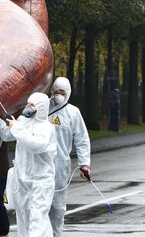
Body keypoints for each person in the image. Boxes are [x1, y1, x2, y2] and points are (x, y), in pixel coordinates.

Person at [0, 92, 57, 237]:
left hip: (41, 182)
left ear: (41, 107)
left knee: (37, 218)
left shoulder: (47, 128)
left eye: (33, 105)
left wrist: (17, 128)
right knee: (23, 218)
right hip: (23, 181)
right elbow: (8, 134)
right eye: (29, 103)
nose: (29, 107)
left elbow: (35, 145)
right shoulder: (23, 121)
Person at [47, 77, 91, 237]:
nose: (58, 95)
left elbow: (82, 138)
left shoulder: (73, 113)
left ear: (68, 93)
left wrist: (84, 163)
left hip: (61, 165)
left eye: (62, 92)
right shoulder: (42, 107)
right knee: (39, 206)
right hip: (40, 164)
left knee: (57, 207)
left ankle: (56, 234)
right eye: (56, 91)